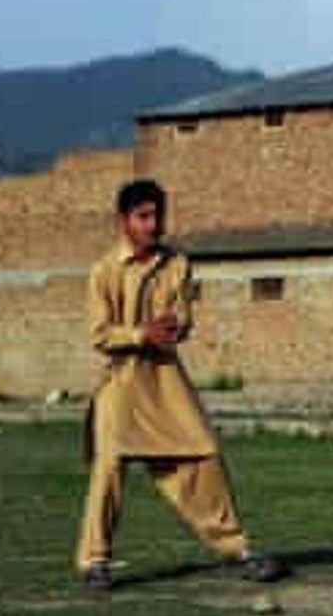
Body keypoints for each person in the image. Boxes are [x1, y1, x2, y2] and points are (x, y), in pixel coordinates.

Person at [75, 178, 284, 591]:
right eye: (144, 217)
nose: (154, 225)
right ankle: (94, 561)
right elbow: (99, 334)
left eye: (158, 216)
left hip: (166, 381)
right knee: (109, 467)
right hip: (122, 383)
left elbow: (182, 318)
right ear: (123, 221)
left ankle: (238, 549)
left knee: (204, 453)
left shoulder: (177, 264)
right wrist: (139, 335)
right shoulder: (103, 271)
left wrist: (172, 326)